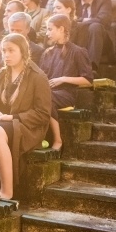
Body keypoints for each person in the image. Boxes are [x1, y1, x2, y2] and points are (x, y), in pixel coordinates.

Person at [0, 34, 51, 200]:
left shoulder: (37, 77)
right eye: (4, 50)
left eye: (11, 50)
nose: (6, 55)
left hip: (26, 127)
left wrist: (11, 118)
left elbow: (43, 114)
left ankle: (6, 191)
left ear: (23, 52)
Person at [39, 15, 93, 150]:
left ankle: (58, 140)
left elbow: (88, 80)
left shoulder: (77, 51)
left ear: (61, 29)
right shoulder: (47, 53)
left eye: (50, 29)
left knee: (46, 97)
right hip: (49, 92)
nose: (47, 33)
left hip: (66, 94)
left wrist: (62, 79)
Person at [72, 0, 113, 71]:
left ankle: (91, 67)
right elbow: (70, 21)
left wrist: (80, 22)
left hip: (101, 39)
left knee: (95, 27)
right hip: (80, 38)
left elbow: (104, 19)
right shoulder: (74, 1)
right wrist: (85, 20)